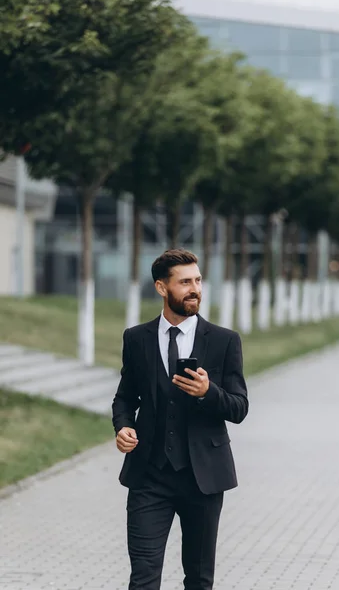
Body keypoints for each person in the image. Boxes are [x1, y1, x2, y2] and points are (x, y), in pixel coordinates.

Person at [112, 248, 249, 590]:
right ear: (161, 287)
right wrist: (123, 426)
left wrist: (207, 391)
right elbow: (125, 397)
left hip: (202, 478)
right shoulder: (136, 338)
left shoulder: (223, 341)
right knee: (143, 578)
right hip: (149, 476)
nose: (195, 289)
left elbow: (239, 408)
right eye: (185, 282)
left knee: (199, 580)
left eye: (198, 280)